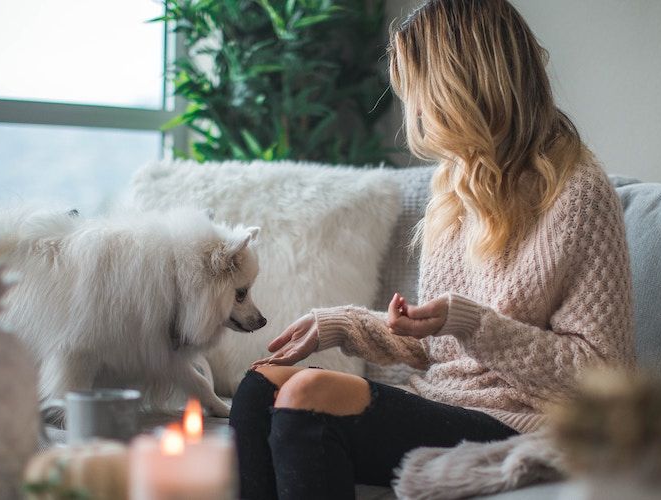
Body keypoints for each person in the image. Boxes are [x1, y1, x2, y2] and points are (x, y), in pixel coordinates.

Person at [229, 0, 634, 498]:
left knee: (309, 396)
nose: (415, 110)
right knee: (259, 388)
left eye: (420, 92)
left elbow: (602, 378)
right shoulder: (456, 181)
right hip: (443, 402)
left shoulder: (577, 193)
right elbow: (433, 344)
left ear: (461, 86)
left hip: (527, 424)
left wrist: (472, 323)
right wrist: (343, 325)